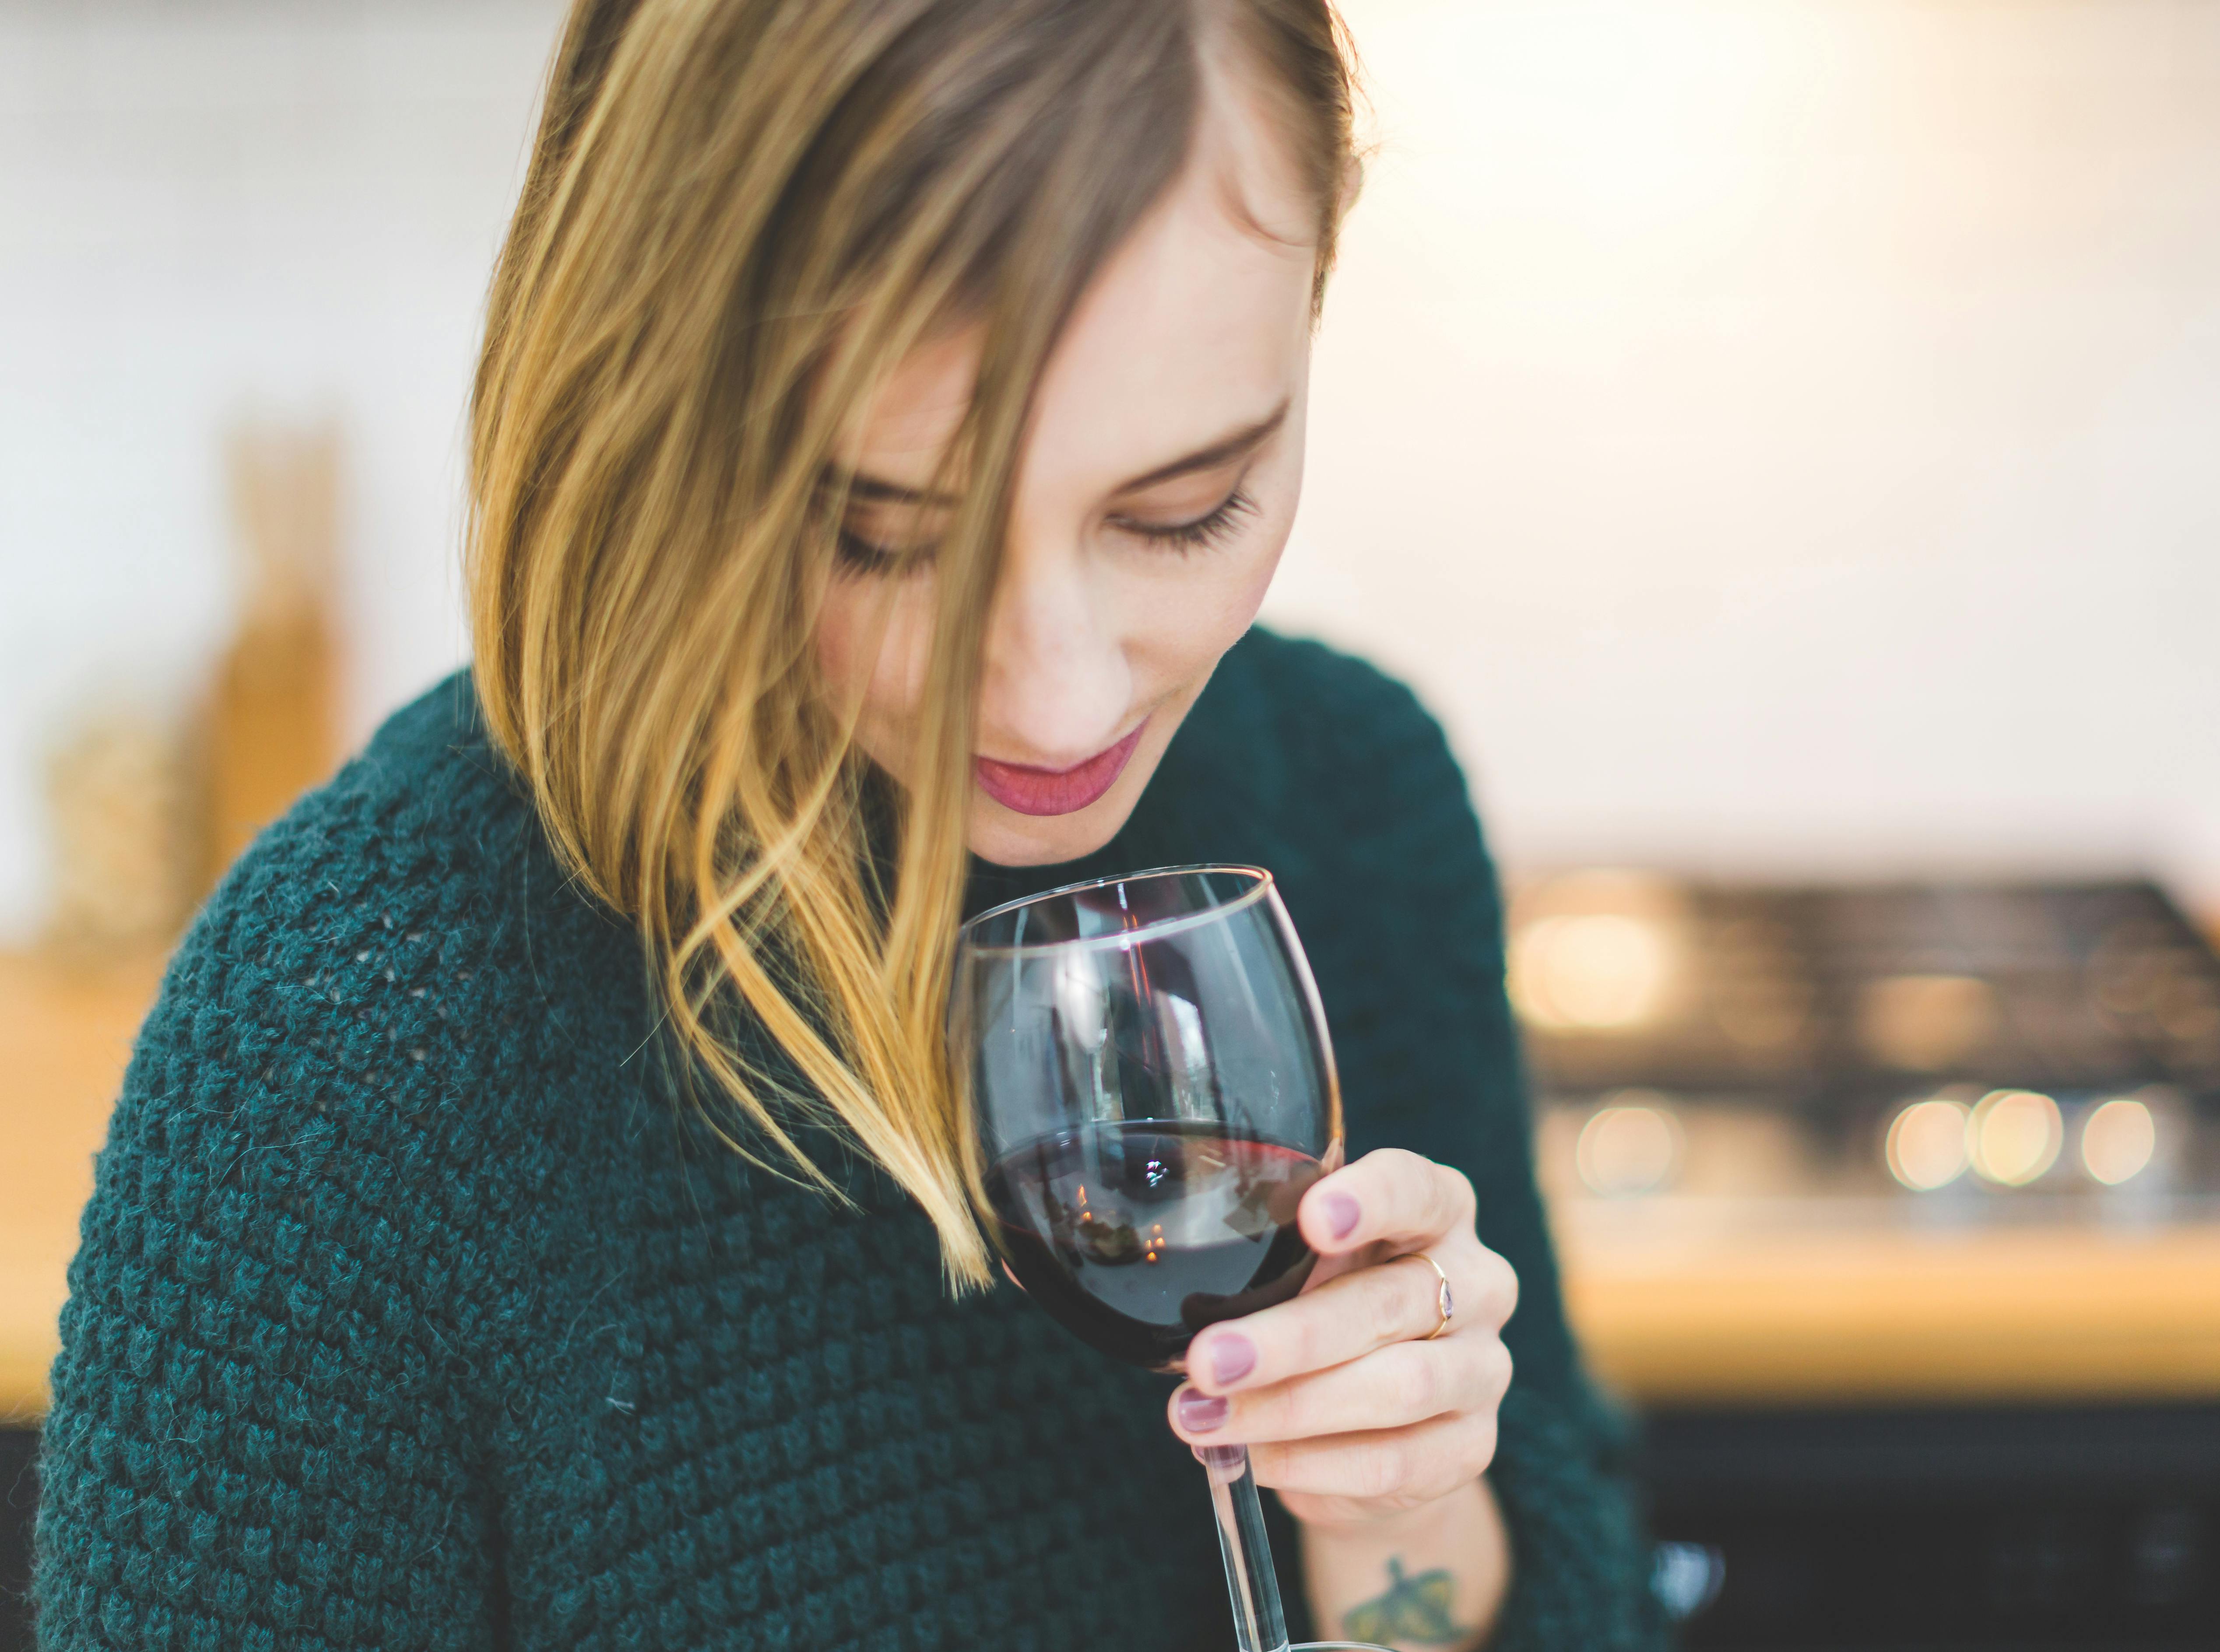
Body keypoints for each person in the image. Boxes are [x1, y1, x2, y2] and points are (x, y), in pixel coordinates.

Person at [36, 1, 1655, 1646]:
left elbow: (1461, 1614)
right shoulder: (346, 1034)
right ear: (662, 403)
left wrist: (1402, 1512)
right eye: (883, 538)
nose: (1053, 699)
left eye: (1185, 512)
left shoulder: (1353, 802)